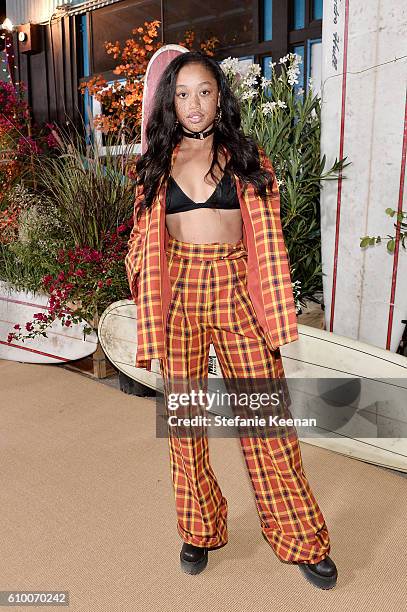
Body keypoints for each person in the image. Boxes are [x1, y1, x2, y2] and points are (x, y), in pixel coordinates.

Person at [125, 51, 338, 590]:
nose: (193, 104)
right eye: (182, 94)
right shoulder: (154, 164)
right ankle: (198, 528)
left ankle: (301, 537)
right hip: (180, 294)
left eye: (204, 91)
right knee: (187, 422)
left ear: (220, 98)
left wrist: (268, 293)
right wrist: (143, 275)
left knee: (266, 418)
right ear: (170, 102)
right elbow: (139, 238)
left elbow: (268, 235)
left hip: (236, 287)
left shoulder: (247, 156)